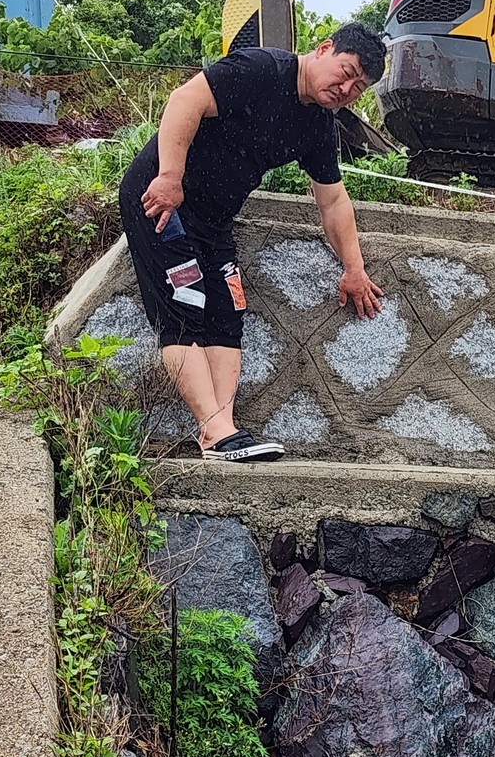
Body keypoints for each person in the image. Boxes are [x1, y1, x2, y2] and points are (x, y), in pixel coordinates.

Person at [119, 23, 387, 462]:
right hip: (161, 204)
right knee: (184, 302)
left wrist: (353, 268)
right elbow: (185, 99)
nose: (345, 88)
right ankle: (214, 431)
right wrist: (169, 177)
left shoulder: (318, 126)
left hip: (214, 222)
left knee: (229, 308)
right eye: (346, 71)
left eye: (357, 87)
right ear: (323, 49)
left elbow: (333, 200)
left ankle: (223, 432)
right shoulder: (262, 70)